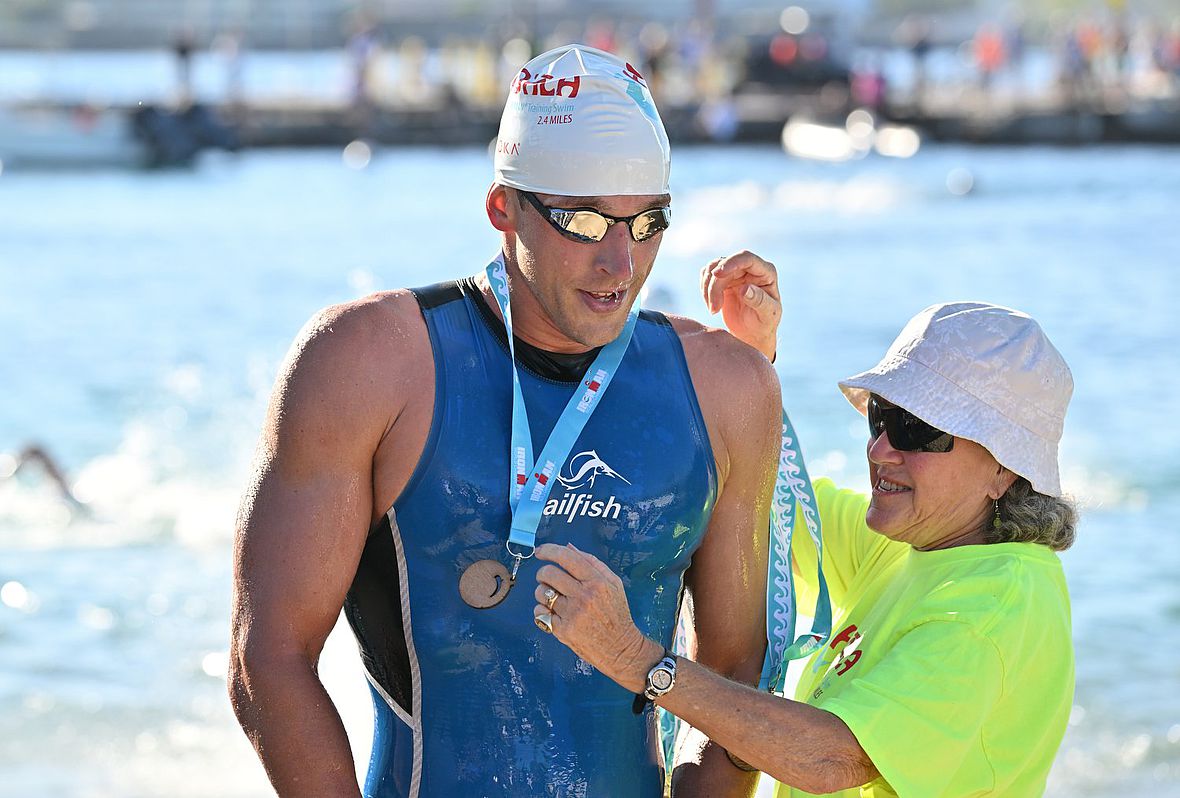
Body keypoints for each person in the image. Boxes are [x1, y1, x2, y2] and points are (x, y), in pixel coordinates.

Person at [229, 44, 783, 797]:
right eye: (586, 225)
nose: (621, 264)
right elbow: (268, 659)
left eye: (647, 223)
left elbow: (736, 677)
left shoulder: (727, 387)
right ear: (503, 208)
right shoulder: (367, 364)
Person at [535, 266, 1078, 797]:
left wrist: (635, 659)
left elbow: (830, 759)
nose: (881, 449)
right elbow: (765, 489)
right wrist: (746, 364)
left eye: (919, 431)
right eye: (882, 417)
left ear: (1006, 468)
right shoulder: (920, 544)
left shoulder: (991, 609)